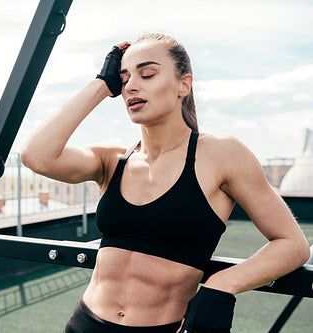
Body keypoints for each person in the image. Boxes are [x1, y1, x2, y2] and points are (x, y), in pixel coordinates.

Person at [20, 33, 310, 333]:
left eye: (146, 74)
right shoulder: (111, 160)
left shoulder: (222, 155)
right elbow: (35, 155)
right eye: (123, 78)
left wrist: (224, 282)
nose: (131, 85)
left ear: (184, 85)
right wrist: (101, 85)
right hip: (85, 324)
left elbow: (292, 244)